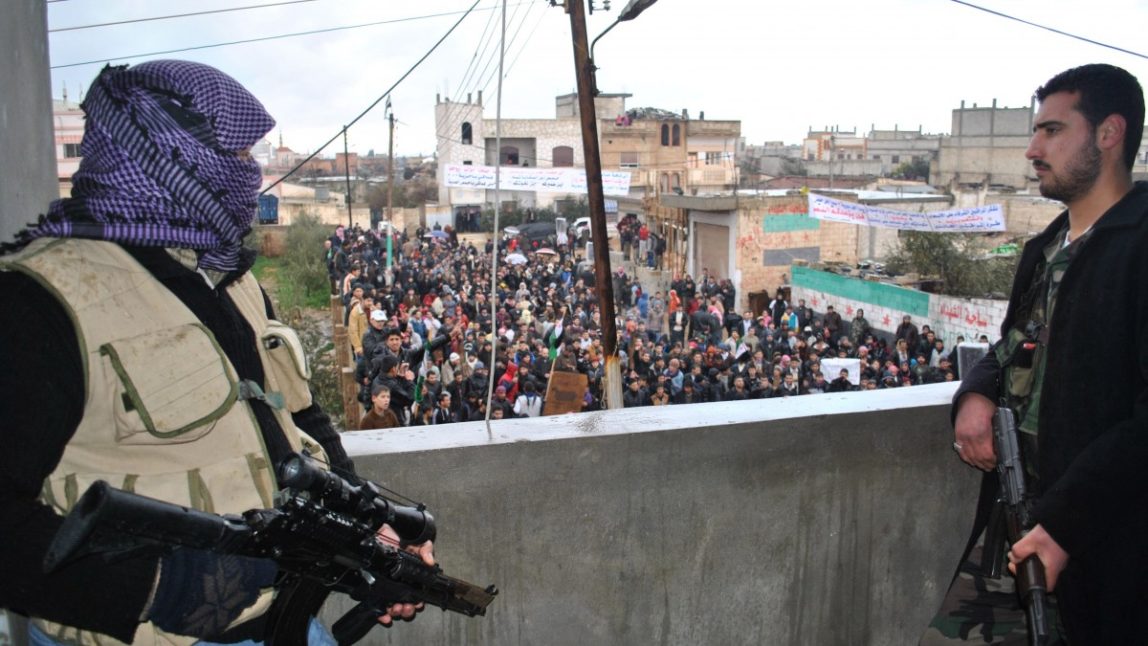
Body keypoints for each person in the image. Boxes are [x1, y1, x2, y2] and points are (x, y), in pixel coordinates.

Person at [0, 61, 430, 645]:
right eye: (233, 158)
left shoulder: (233, 281)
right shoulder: (40, 301)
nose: (249, 176)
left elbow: (298, 420)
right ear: (165, 159)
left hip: (285, 626)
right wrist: (157, 586)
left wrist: (372, 532)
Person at [923, 64, 1148, 644]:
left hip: (1101, 543)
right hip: (1017, 525)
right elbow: (1013, 346)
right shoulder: (1047, 247)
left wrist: (1067, 524)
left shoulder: (1139, 248)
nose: (1031, 149)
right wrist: (974, 392)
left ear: (1109, 132)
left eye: (1051, 131)